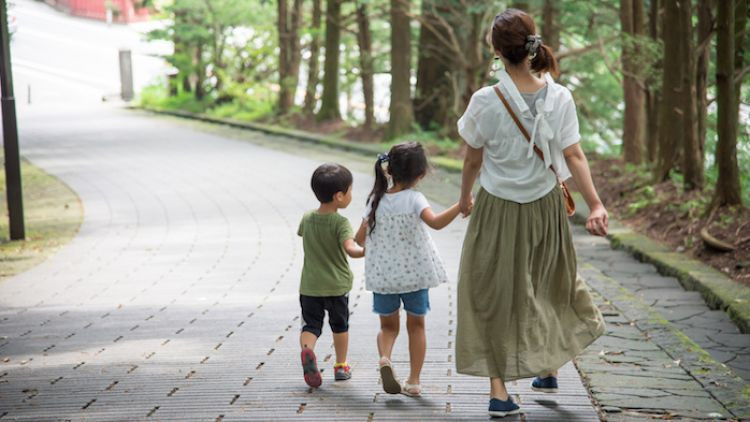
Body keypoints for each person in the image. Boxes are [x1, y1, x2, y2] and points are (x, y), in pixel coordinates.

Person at [455, 9, 608, 418]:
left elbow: (472, 160)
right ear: (531, 45)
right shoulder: (559, 96)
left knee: (490, 293)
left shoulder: (485, 101)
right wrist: (595, 203)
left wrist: (465, 197)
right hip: (545, 208)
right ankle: (549, 367)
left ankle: (500, 391)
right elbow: (574, 155)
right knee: (547, 284)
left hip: (496, 209)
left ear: (496, 51)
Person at [354, 142, 462, 397]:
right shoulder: (415, 198)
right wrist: (460, 205)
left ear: (389, 170)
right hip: (414, 276)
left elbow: (359, 239)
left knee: (388, 328)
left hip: (384, 277)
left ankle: (385, 358)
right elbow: (435, 223)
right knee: (417, 327)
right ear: (420, 174)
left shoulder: (375, 200)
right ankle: (413, 381)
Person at [298, 163, 364, 388]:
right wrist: (366, 250)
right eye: (350, 190)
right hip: (336, 286)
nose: (351, 195)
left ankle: (308, 352)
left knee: (311, 326)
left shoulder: (307, 218)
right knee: (340, 325)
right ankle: (341, 366)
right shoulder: (341, 223)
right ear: (339, 196)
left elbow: (303, 235)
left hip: (310, 286)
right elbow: (350, 249)